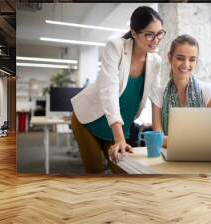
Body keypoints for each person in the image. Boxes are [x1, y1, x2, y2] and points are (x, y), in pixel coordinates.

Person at [71, 6, 165, 174]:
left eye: (159, 33)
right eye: (149, 34)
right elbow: (109, 92)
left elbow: (156, 97)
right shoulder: (116, 47)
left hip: (121, 128)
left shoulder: (155, 61)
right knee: (95, 174)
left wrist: (159, 135)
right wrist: (119, 138)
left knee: (124, 174)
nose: (156, 40)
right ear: (134, 33)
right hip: (89, 121)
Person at [152, 34, 211, 148]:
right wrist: (197, 140)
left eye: (192, 60)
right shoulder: (158, 95)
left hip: (203, 161)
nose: (186, 65)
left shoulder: (210, 93)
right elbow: (157, 139)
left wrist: (171, 140)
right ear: (170, 57)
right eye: (180, 58)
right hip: (168, 160)